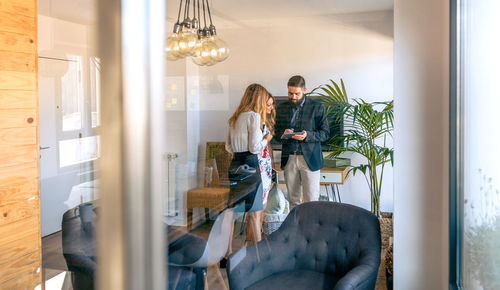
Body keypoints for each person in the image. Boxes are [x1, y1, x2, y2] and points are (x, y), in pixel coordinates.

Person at [224, 83, 273, 255]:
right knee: (254, 212)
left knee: (230, 212)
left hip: (235, 164)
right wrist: (267, 138)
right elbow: (254, 148)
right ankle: (257, 255)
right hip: (251, 165)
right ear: (259, 99)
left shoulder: (234, 117)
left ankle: (226, 254)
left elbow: (228, 147)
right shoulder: (254, 117)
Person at [275, 75, 330, 208]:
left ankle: (311, 229)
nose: (293, 97)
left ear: (304, 90)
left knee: (311, 201)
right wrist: (284, 134)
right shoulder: (281, 108)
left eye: (297, 94)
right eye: (290, 93)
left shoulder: (317, 107)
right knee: (293, 201)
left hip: (310, 159)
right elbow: (276, 134)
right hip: (289, 159)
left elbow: (325, 134)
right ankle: (295, 229)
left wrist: (308, 136)